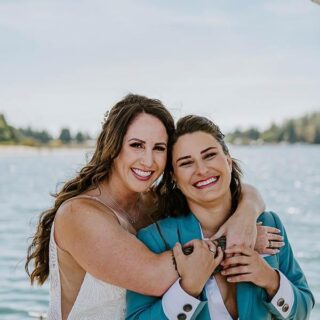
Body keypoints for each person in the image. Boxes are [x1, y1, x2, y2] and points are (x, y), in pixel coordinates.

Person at [26, 94, 270, 320]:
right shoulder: (78, 215)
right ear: (113, 146)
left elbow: (234, 190)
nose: (148, 160)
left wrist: (244, 217)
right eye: (137, 145)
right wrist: (233, 243)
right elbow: (154, 277)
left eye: (159, 148)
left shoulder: (153, 202)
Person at [126, 115, 314, 320]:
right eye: (187, 163)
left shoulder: (269, 224)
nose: (202, 170)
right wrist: (188, 289)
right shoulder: (155, 239)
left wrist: (270, 280)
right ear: (175, 179)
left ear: (228, 161)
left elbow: (304, 308)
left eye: (209, 155)